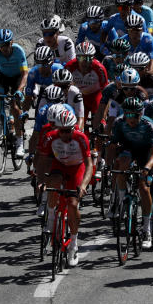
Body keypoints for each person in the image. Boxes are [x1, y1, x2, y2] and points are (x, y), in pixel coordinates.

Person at [38, 108, 93, 268]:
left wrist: (83, 185)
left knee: (73, 204)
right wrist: (41, 181)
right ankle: (51, 218)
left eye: (68, 131)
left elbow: (89, 165)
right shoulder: (50, 137)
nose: (64, 135)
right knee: (53, 183)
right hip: (59, 165)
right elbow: (42, 162)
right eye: (61, 131)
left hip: (77, 168)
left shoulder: (81, 138)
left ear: (73, 128)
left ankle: (73, 245)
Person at [108, 96, 153, 249]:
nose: (131, 119)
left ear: (141, 113)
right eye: (127, 115)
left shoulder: (148, 124)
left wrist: (147, 168)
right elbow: (112, 146)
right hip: (128, 149)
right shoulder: (119, 122)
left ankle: (146, 229)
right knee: (120, 168)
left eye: (134, 115)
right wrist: (109, 165)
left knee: (144, 188)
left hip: (146, 153)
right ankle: (123, 200)